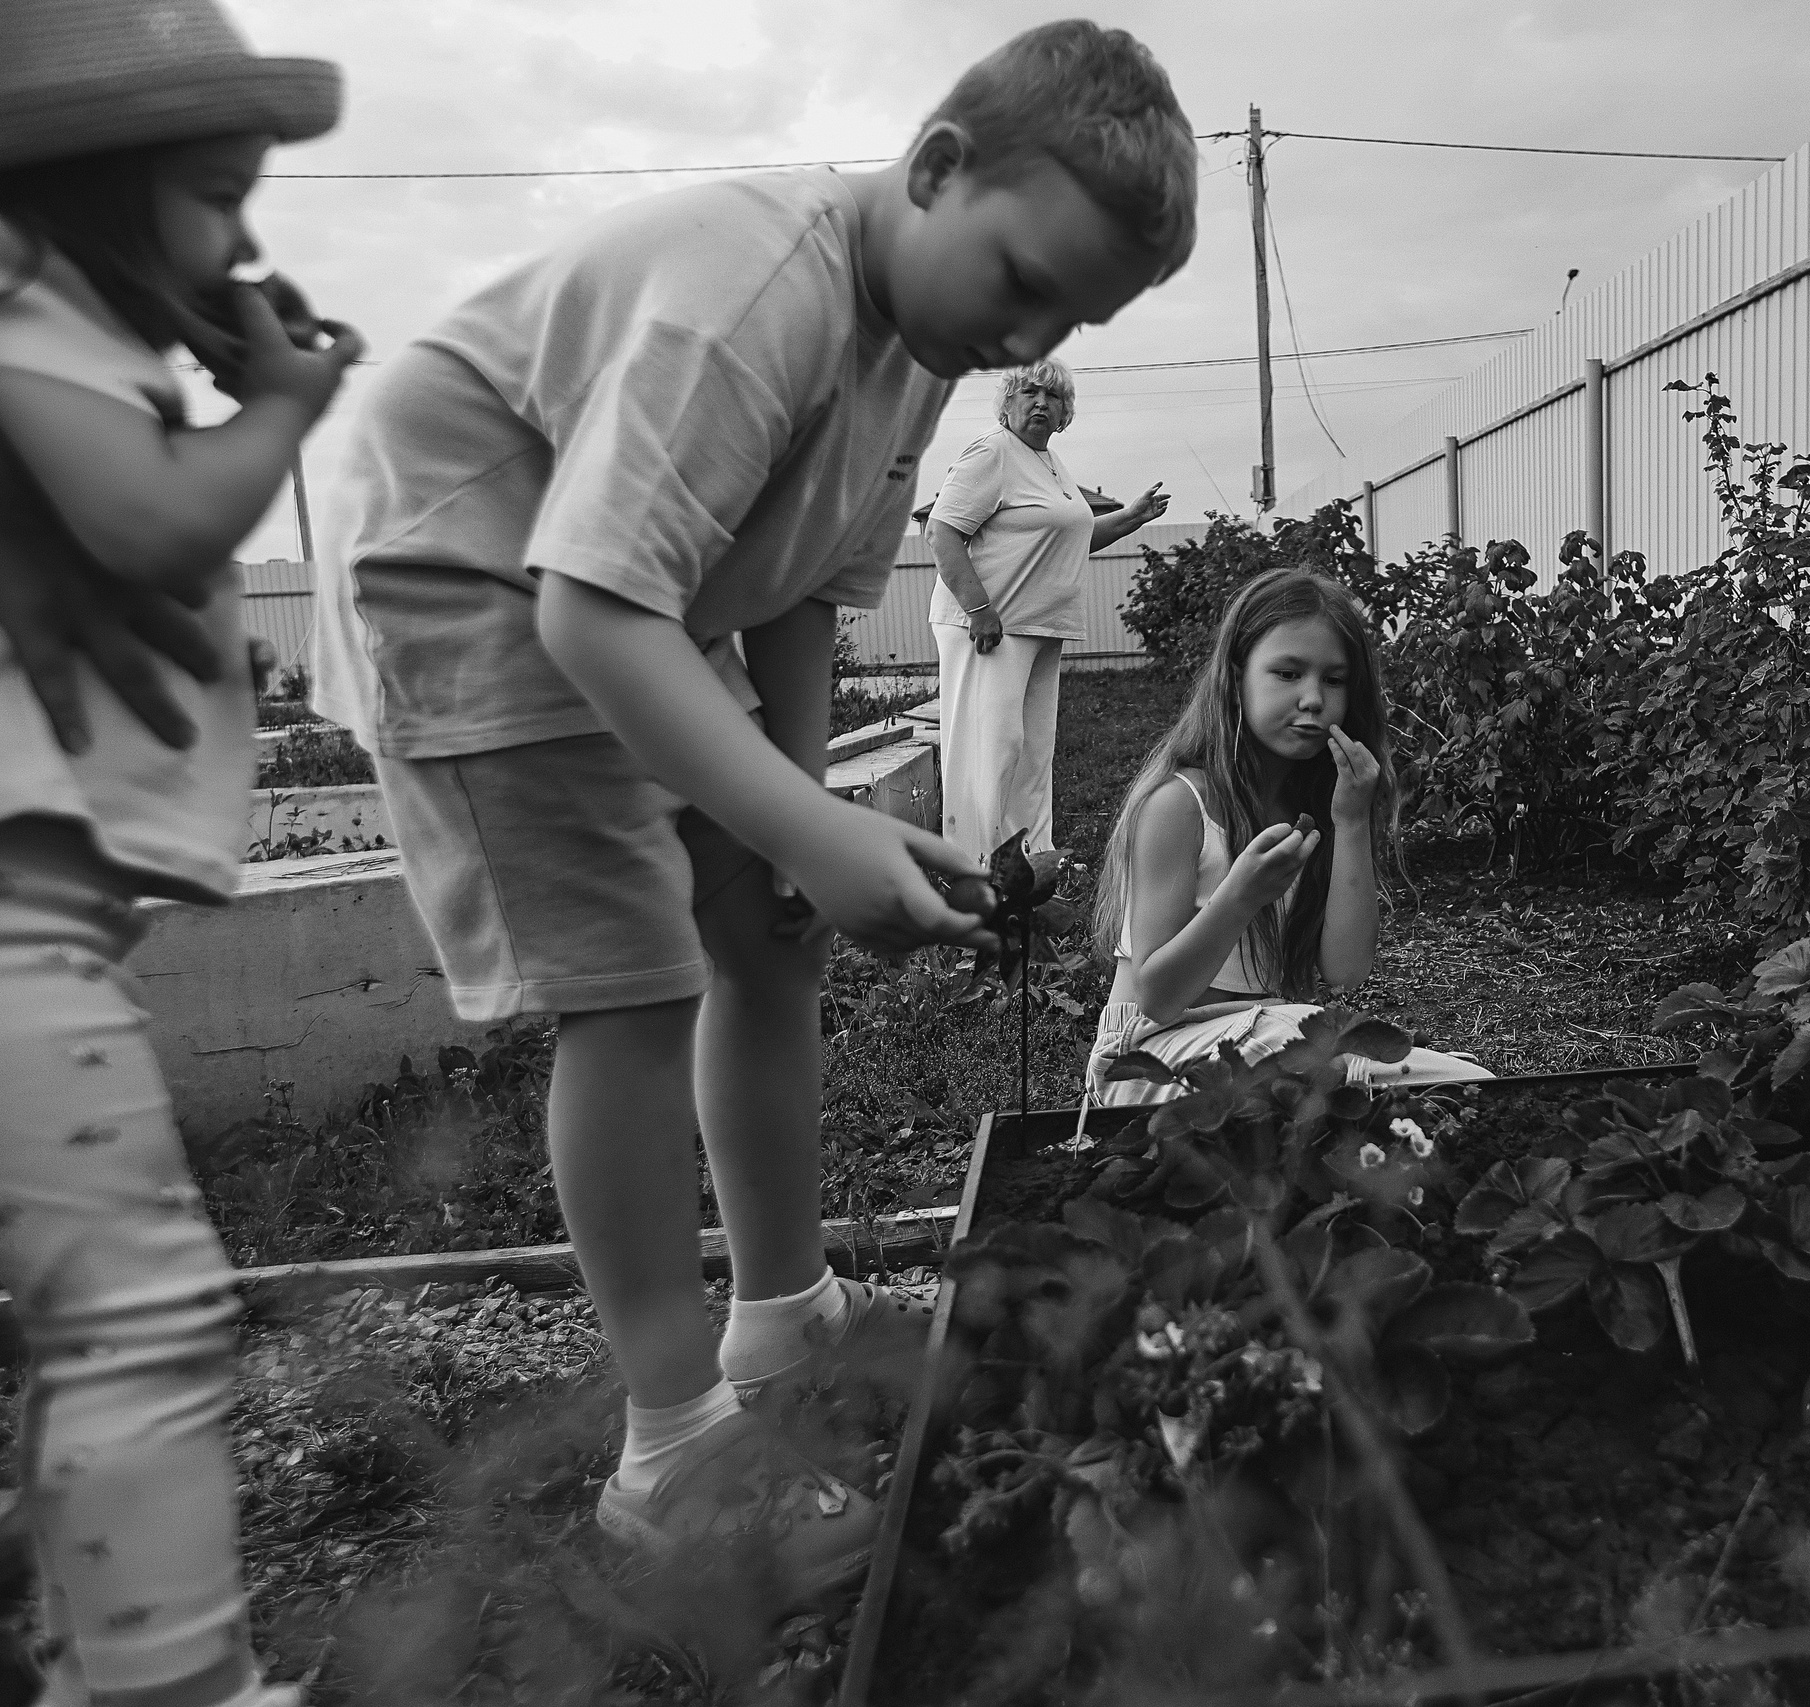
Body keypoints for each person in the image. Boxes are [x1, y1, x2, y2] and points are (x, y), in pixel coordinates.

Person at [306, 20, 1196, 1608]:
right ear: (934, 169)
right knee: (635, 982)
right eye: (1022, 280)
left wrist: (796, 826)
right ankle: (673, 1455)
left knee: (765, 942)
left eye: (1070, 315)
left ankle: (781, 1316)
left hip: (623, 586)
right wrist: (801, 823)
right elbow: (590, 607)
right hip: (472, 571)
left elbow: (797, 597)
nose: (1029, 335)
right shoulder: (755, 298)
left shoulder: (914, 345)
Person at [0, 2, 364, 1702]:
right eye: (217, 194)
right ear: (73, 190)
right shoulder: (20, 297)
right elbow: (158, 518)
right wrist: (282, 401)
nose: (247, 238)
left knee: (93, 1329)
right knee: (141, 1318)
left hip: (43, 920)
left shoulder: (66, 333)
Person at [1086, 568, 1493, 1105]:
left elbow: (1345, 971)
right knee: (1318, 1055)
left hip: (1264, 1038)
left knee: (1470, 1088)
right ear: (1237, 677)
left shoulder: (1318, 807)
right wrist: (1241, 895)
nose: (1312, 698)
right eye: (1287, 673)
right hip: (1148, 1057)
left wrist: (1350, 823)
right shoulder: (1178, 805)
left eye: (1334, 679)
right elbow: (1157, 998)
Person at [927, 358, 1170, 864]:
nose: (1041, 402)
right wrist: (979, 609)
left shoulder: (1050, 464)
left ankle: (1033, 858)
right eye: (1029, 392)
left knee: (1033, 751)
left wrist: (1130, 518)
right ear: (1007, 404)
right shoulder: (992, 453)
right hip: (989, 627)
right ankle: (975, 866)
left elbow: (1072, 540)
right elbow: (942, 531)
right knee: (989, 749)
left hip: (1037, 628)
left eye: (1053, 396)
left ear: (1065, 412)